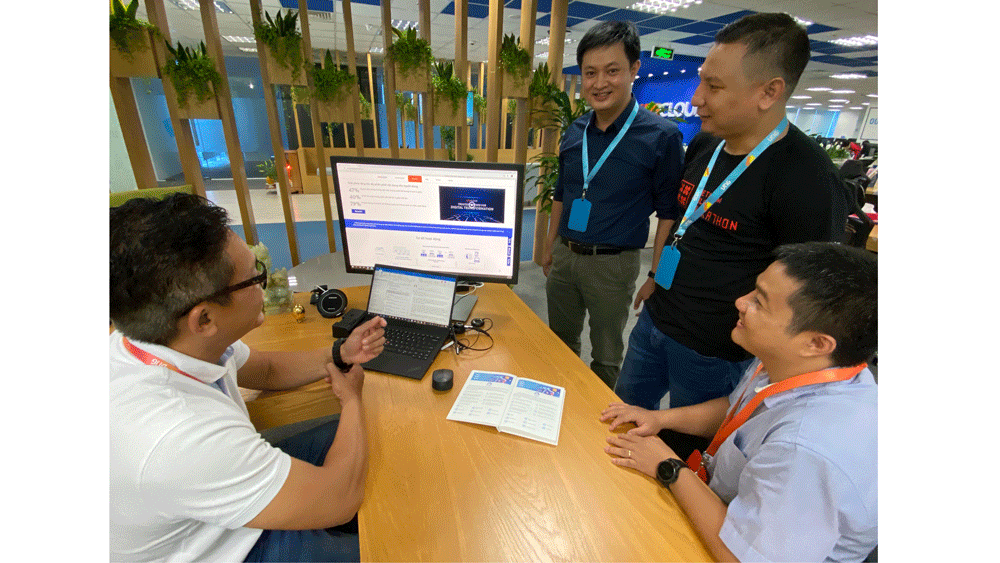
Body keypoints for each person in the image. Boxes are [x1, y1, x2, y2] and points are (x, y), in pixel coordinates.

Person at [110, 193, 388, 562]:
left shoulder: (157, 340)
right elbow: (340, 500)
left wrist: (340, 354)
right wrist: (351, 399)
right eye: (255, 277)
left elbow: (266, 369)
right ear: (204, 319)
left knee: (378, 440)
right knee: (395, 547)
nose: (265, 283)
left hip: (215, 503)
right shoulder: (179, 434)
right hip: (226, 548)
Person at [615, 12, 850, 413]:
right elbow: (685, 225)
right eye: (701, 81)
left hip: (717, 350)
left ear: (769, 92)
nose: (696, 98)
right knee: (622, 414)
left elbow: (809, 293)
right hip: (657, 320)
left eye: (714, 86)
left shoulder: (807, 178)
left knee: (687, 443)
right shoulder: (707, 145)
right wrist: (655, 277)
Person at [601, 242, 877, 562]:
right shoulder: (800, 363)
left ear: (816, 343)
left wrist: (669, 466)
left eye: (760, 302)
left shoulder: (807, 450)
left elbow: (743, 556)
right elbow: (739, 409)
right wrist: (661, 419)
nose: (740, 302)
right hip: (727, 508)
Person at [539, 20, 685, 389]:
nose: (599, 82)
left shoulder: (661, 136)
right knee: (558, 344)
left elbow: (670, 214)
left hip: (613, 264)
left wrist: (657, 276)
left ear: (634, 69)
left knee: (605, 356)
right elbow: (562, 193)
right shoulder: (576, 131)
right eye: (590, 73)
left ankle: (595, 416)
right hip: (565, 255)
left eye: (612, 71)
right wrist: (550, 245)